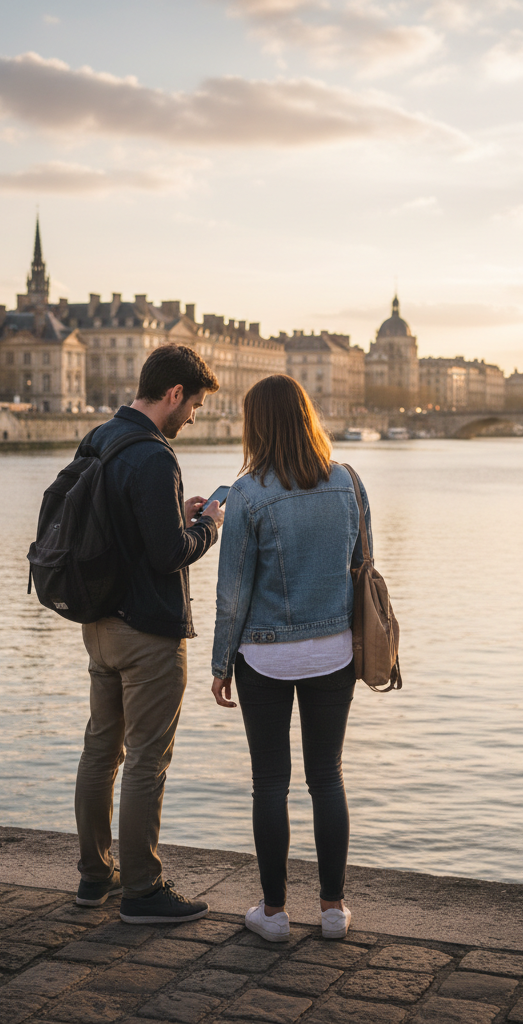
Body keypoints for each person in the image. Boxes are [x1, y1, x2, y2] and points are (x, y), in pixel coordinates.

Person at [210, 375, 370, 942]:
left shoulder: (248, 493)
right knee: (327, 776)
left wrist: (220, 662)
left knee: (269, 782)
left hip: (265, 654)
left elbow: (233, 590)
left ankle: (273, 914)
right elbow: (361, 564)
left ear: (257, 425)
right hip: (333, 650)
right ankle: (332, 911)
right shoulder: (348, 482)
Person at [74, 343, 225, 925]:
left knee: (99, 750)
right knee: (145, 760)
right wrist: (206, 526)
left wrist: (174, 513)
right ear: (173, 395)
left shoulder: (101, 439)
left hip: (100, 626)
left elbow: (121, 527)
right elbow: (168, 555)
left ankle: (95, 876)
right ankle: (143, 889)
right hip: (149, 634)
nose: (194, 417)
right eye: (194, 406)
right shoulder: (156, 457)